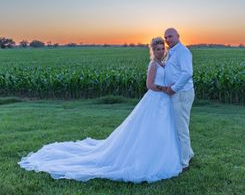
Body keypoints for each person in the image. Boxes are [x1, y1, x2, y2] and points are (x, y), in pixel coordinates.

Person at [18, 37, 183, 183]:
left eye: (162, 48)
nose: (160, 51)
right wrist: (165, 89)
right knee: (148, 129)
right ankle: (145, 159)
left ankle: (159, 156)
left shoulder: (163, 63)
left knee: (160, 130)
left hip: (164, 101)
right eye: (157, 49)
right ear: (152, 50)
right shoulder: (154, 64)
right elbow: (150, 85)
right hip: (155, 99)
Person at [163, 28, 195, 169]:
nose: (168, 39)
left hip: (181, 93)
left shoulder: (182, 51)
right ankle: (188, 154)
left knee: (181, 128)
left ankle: (183, 162)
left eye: (170, 36)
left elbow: (187, 73)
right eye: (166, 37)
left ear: (178, 36)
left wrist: (174, 88)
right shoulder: (171, 51)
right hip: (177, 93)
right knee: (180, 125)